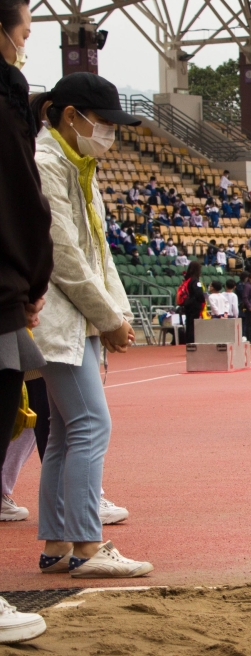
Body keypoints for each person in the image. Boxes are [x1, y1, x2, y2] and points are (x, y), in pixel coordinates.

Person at [31, 71, 153, 579]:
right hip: (59, 317)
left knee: (64, 432)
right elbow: (64, 257)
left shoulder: (79, 166)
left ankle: (58, 544)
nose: (110, 133)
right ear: (70, 116)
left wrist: (116, 315)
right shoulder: (45, 165)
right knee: (89, 424)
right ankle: (86, 544)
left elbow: (98, 251)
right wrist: (107, 318)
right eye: (103, 122)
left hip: (76, 317)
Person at [0, 0, 54, 640]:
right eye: (24, 33)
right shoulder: (7, 106)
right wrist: (28, 282)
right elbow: (22, 202)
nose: (24, 44)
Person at [176, 261, 205, 344]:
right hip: (194, 305)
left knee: (189, 324)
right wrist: (203, 300)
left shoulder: (187, 280)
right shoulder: (195, 281)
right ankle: (192, 342)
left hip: (187, 305)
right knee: (193, 325)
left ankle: (188, 342)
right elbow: (199, 293)